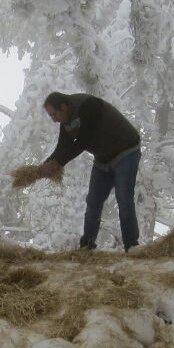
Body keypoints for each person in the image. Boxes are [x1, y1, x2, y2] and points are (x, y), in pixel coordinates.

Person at [35, 91, 142, 251]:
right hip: (103, 158)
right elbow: (62, 147)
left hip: (126, 151)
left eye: (54, 114)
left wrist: (57, 163)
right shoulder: (66, 123)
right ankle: (87, 246)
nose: (54, 119)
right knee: (93, 201)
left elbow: (83, 141)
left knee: (124, 198)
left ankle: (132, 246)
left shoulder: (88, 105)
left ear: (63, 107)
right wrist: (43, 167)